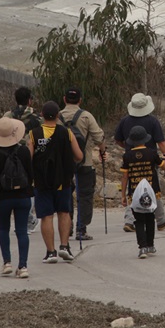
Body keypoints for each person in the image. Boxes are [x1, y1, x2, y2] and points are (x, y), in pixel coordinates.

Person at [30, 100, 83, 263]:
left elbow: (28, 158)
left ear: (41, 115)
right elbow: (79, 156)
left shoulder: (34, 134)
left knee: (46, 216)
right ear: (58, 115)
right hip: (63, 180)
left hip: (41, 182)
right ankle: (65, 246)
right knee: (63, 212)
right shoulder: (66, 133)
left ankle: (51, 252)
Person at [114, 93, 165, 232]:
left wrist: (128, 148)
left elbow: (117, 139)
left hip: (131, 160)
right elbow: (162, 143)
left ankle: (130, 221)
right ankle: (160, 221)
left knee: (133, 188)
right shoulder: (152, 121)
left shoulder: (124, 121)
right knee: (152, 188)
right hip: (150, 159)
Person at [0, 116, 33, 278]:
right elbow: (30, 175)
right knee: (22, 231)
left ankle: (7, 263)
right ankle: (23, 266)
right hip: (23, 196)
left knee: (3, 229)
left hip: (3, 198)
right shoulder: (24, 151)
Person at [60, 87, 107, 242]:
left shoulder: (58, 116)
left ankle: (68, 227)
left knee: (66, 194)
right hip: (84, 162)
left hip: (63, 164)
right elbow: (99, 137)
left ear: (64, 99)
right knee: (84, 196)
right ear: (80, 100)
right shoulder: (86, 116)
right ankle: (82, 229)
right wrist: (102, 151)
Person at [121, 126, 165, 258]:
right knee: (149, 219)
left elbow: (125, 177)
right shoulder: (152, 153)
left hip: (135, 193)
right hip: (151, 192)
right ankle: (150, 245)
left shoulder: (127, 156)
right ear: (145, 139)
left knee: (138, 220)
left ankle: (142, 247)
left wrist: (123, 195)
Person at [3, 86, 42, 234]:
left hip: (9, 154)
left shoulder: (8, 115)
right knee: (28, 187)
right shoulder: (36, 118)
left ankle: (23, 220)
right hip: (29, 155)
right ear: (30, 100)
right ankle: (29, 220)